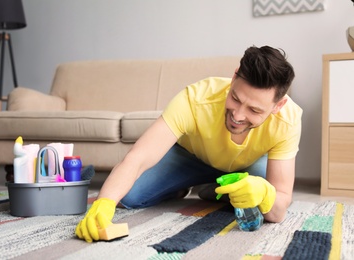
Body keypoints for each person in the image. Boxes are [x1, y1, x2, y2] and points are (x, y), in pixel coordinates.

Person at [75, 45, 302, 243]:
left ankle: (214, 189)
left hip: (248, 168)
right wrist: (104, 203)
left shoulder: (288, 119)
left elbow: (279, 208)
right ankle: (184, 186)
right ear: (234, 77)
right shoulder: (195, 98)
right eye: (235, 98)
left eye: (254, 110)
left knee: (264, 202)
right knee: (128, 197)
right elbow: (138, 158)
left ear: (278, 105)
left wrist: (265, 194)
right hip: (190, 158)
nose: (238, 115)